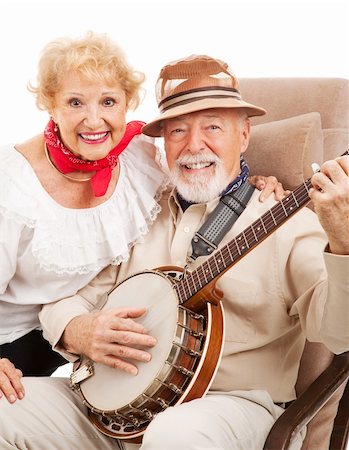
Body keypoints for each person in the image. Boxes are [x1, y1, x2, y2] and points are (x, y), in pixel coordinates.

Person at [1, 55, 339, 450]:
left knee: (174, 434)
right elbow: (68, 298)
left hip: (227, 408)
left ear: (244, 136)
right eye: (178, 130)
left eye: (213, 126)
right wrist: (78, 329)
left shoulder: (289, 224)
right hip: (115, 410)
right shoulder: (141, 211)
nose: (194, 145)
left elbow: (336, 330)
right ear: (163, 143)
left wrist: (345, 242)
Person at [0, 35, 282, 401]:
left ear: (127, 104)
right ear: (50, 105)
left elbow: (202, 170)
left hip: (71, 336)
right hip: (9, 342)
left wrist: (254, 185)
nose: (93, 119)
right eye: (74, 102)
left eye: (108, 101)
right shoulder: (13, 188)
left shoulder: (141, 161)